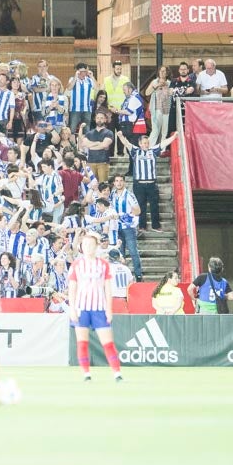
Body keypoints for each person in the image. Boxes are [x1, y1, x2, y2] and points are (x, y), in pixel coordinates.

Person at [68, 231, 122, 382]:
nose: (88, 247)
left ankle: (117, 373)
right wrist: (72, 308)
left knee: (108, 343)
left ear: (96, 246)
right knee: (82, 342)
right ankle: (86, 374)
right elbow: (72, 287)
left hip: (99, 307)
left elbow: (108, 288)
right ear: (81, 246)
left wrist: (109, 309)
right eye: (85, 244)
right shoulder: (76, 265)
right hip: (81, 308)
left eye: (91, 245)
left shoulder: (103, 264)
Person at [115, 130, 178, 234]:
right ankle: (142, 226)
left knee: (154, 205)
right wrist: (121, 136)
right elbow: (126, 143)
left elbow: (164, 143)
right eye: (144, 143)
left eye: (147, 142)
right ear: (139, 144)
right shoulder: (135, 151)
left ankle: (156, 226)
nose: (146, 144)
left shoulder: (153, 150)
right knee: (140, 206)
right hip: (139, 184)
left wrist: (174, 137)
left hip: (152, 184)